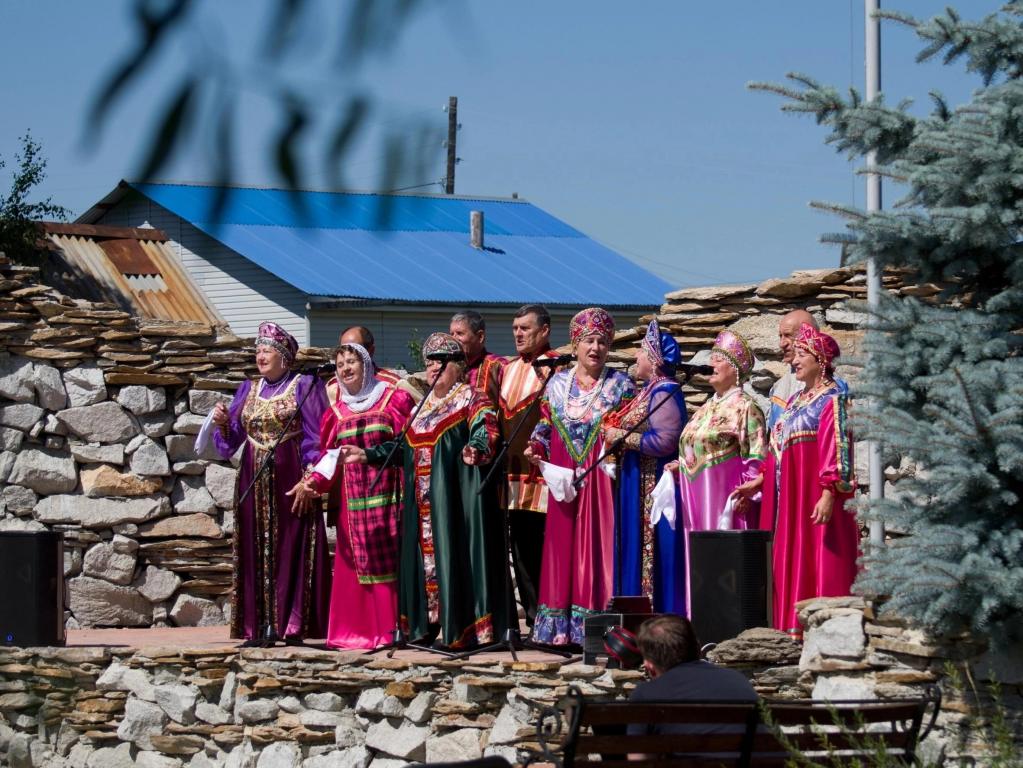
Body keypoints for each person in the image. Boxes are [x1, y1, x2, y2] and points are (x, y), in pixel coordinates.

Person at [338, 332, 508, 649]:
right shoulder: (424, 407)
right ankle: (426, 626)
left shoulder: (472, 399)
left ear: (458, 366)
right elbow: (402, 446)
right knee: (424, 563)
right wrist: (367, 454)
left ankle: (459, 628)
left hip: (455, 505)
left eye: (441, 362)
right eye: (429, 362)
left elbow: (487, 428)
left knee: (452, 557)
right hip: (422, 506)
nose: (433, 368)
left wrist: (477, 446)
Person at [288, 342, 415, 649]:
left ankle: (392, 631)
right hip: (352, 503)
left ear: (367, 365)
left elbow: (408, 444)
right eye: (340, 363)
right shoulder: (336, 413)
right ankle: (354, 633)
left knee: (390, 564)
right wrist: (311, 482)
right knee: (355, 567)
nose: (345, 369)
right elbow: (329, 458)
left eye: (351, 362)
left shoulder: (393, 400)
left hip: (389, 496)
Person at [210, 321, 330, 644]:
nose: (260, 356)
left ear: (284, 357)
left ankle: (291, 624)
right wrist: (223, 424)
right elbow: (232, 440)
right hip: (252, 473)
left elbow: (317, 435)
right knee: (255, 544)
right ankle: (257, 624)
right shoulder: (248, 390)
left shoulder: (303, 386)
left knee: (291, 543)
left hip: (290, 474)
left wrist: (310, 478)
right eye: (258, 350)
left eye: (267, 350)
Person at [525, 307, 634, 645]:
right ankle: (557, 629)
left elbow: (627, 430)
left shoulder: (621, 386)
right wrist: (536, 448)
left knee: (594, 549)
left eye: (602, 341)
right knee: (560, 547)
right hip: (562, 475)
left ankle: (592, 628)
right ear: (575, 345)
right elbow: (544, 426)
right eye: (589, 340)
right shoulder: (556, 384)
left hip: (599, 479)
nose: (596, 348)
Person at [759, 323, 858, 637]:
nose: (794, 360)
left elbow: (839, 449)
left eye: (802, 354)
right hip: (793, 494)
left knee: (822, 552)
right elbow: (778, 448)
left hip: (815, 491)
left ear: (820, 359)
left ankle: (829, 630)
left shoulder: (833, 398)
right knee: (793, 551)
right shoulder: (796, 401)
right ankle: (792, 627)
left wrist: (830, 492)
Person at [663, 330, 767, 613]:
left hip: (724, 499)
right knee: (697, 553)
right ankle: (697, 617)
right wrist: (681, 464)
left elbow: (756, 457)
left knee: (720, 556)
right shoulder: (706, 407)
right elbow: (694, 448)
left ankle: (721, 620)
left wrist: (748, 493)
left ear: (734, 368)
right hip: (694, 495)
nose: (711, 362)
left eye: (718, 358)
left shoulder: (747, 408)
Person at [601, 319, 687, 614]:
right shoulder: (648, 389)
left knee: (650, 550)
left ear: (653, 358)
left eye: (640, 351)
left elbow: (665, 440)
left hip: (650, 484)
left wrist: (622, 437)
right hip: (633, 480)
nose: (635, 357)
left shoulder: (664, 391)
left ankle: (654, 613)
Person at [497, 304, 559, 627]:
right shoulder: (507, 369)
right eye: (515, 328)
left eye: (525, 328)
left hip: (543, 475)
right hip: (513, 477)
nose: (518, 334)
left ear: (545, 330)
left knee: (544, 547)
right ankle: (534, 618)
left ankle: (552, 615)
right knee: (520, 550)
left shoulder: (557, 366)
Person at [628, 615, 757, 736]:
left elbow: (638, 758)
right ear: (697, 647)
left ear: (649, 666)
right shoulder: (738, 680)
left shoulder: (645, 694)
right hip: (750, 759)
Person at [767, 310, 847, 432]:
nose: (781, 344)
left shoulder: (832, 393)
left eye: (788, 335)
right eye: (780, 336)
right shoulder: (779, 388)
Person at [329, 325, 421, 404]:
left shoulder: (393, 385)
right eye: (342, 350)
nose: (346, 354)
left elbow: (422, 415)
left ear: (370, 351)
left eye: (354, 350)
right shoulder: (333, 389)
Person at [449, 310, 505, 407]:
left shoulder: (498, 365)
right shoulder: (448, 368)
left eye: (459, 333)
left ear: (480, 336)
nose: (453, 339)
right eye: (452, 334)